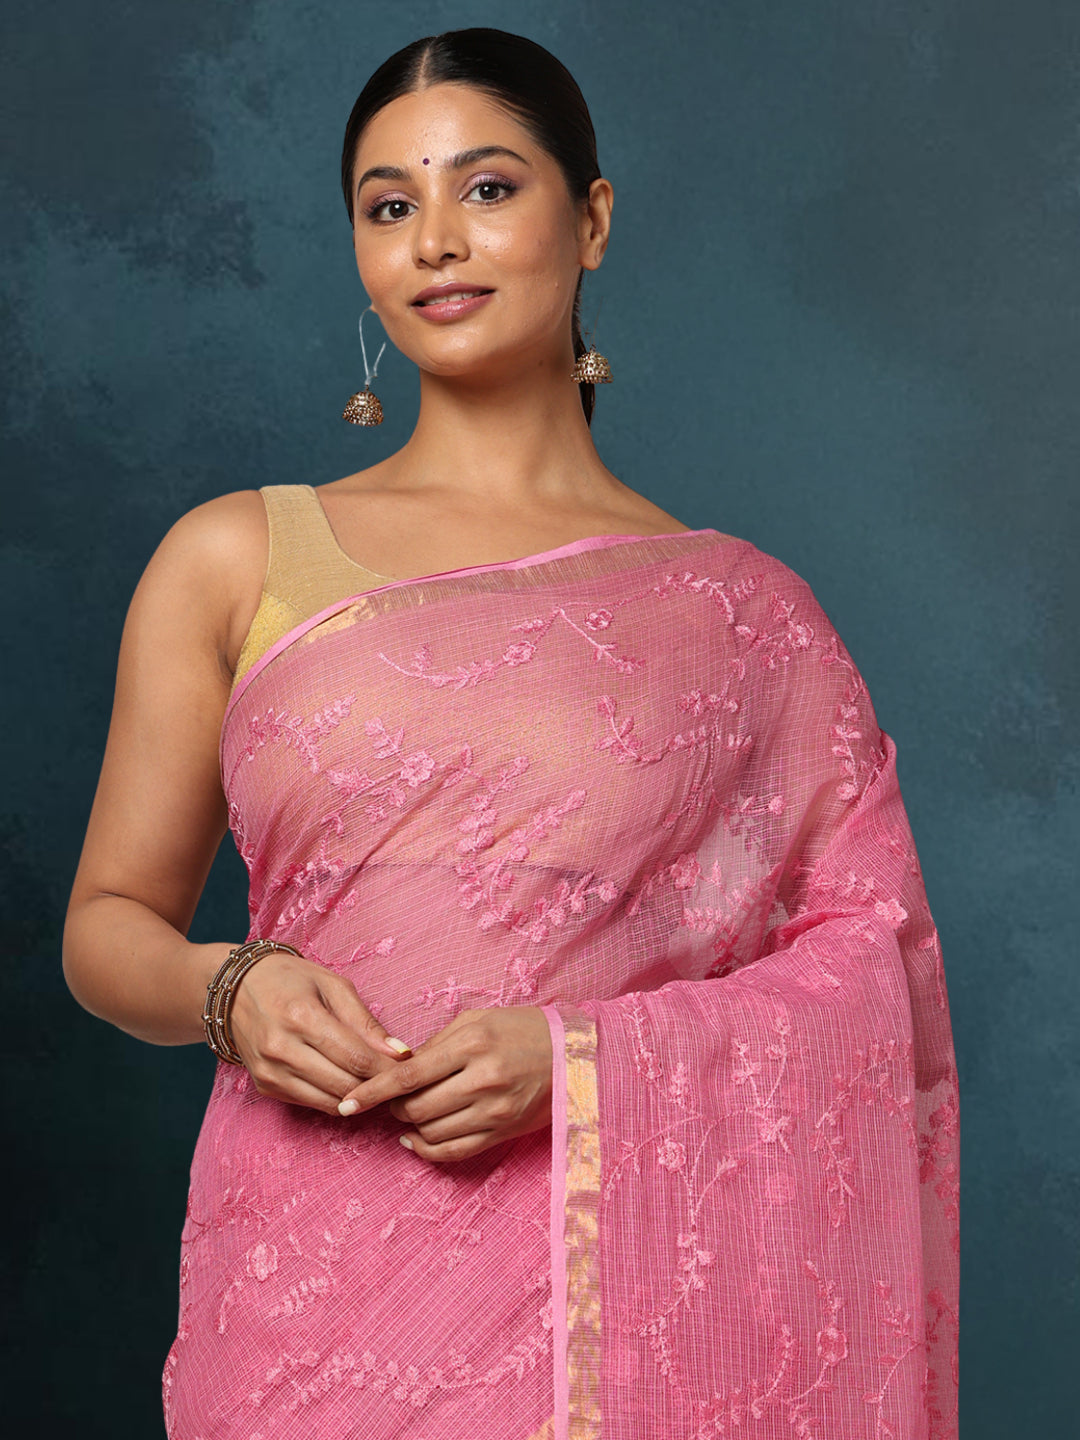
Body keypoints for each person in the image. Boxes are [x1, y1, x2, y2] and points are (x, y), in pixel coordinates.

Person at [62, 27, 960, 1440]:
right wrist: (232, 988)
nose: (435, 239)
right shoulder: (237, 557)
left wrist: (585, 1068)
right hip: (301, 1297)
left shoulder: (742, 614)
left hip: (603, 1306)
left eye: (486, 188)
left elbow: (870, 974)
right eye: (390, 205)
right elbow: (107, 927)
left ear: (590, 219)